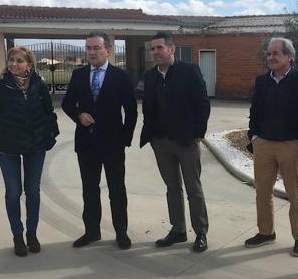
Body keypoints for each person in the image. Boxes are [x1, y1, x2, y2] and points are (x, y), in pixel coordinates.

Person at [0, 46, 59, 257]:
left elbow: (49, 112)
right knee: (13, 192)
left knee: (32, 191)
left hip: (36, 147)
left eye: (19, 61)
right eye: (11, 60)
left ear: (29, 65)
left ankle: (32, 233)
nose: (14, 64)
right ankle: (17, 235)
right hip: (8, 149)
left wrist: (50, 135)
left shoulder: (39, 84)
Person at [245, 37, 298, 256]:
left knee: (294, 194)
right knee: (262, 193)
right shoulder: (262, 81)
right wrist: (254, 137)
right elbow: (255, 112)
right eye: (268, 54)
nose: (271, 57)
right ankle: (266, 232)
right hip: (264, 145)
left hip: (291, 145)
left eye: (275, 53)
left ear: (289, 56)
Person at [62, 32, 137, 250]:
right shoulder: (78, 75)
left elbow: (131, 111)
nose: (92, 52)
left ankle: (121, 232)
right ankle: (92, 232)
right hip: (86, 144)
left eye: (96, 48)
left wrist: (125, 139)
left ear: (108, 50)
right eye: (88, 48)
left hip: (113, 144)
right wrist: (79, 115)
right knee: (89, 190)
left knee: (116, 190)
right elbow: (67, 103)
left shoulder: (120, 76)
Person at [140, 31, 211, 252]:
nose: (155, 52)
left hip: (185, 141)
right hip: (161, 143)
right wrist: (151, 136)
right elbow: (148, 107)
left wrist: (199, 132)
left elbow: (202, 104)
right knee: (172, 187)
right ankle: (178, 230)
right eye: (153, 49)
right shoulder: (150, 76)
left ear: (172, 49)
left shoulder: (189, 71)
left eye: (159, 48)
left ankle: (200, 231)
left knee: (193, 188)